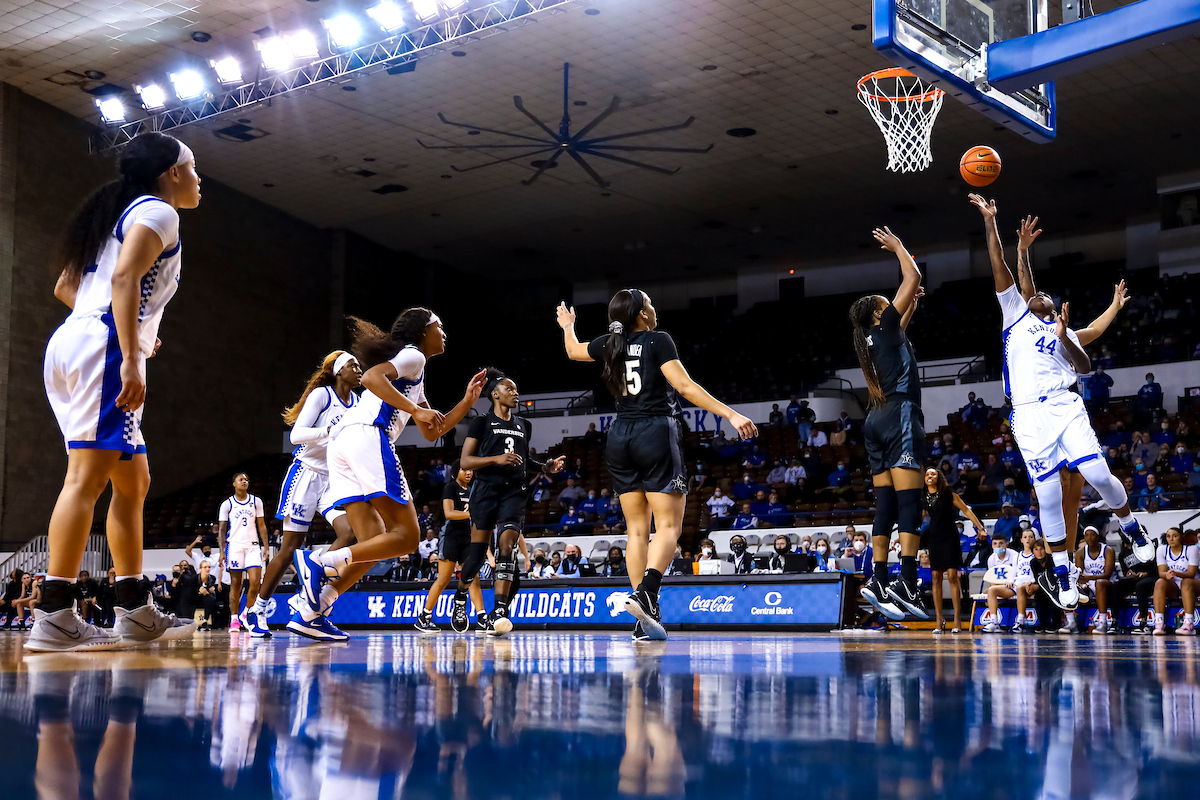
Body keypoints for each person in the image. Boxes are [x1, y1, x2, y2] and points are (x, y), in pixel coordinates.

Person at [29, 132, 200, 652]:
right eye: (193, 170)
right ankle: (55, 613)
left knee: (134, 481)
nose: (198, 180)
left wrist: (138, 330)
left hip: (75, 341)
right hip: (103, 348)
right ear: (172, 172)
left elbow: (66, 287)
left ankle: (134, 609)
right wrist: (130, 353)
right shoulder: (159, 211)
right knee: (85, 479)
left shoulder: (115, 213)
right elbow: (125, 282)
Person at [970, 194, 1154, 617]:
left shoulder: (1062, 332)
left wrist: (1094, 318)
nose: (1038, 296)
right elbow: (1002, 267)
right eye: (1034, 293)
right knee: (1048, 497)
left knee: (1094, 472)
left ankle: (1131, 527)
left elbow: (1086, 362)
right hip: (1028, 414)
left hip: (1063, 404)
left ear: (1054, 309)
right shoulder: (1015, 314)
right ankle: (1061, 572)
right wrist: (994, 226)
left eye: (1045, 297)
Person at [556, 289, 756, 640]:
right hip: (654, 432)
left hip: (619, 435)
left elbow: (572, 352)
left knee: (636, 530)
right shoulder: (657, 340)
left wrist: (568, 326)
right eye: (649, 304)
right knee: (668, 526)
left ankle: (643, 617)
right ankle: (647, 593)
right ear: (641, 314)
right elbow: (684, 386)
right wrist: (730, 413)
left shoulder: (609, 343)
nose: (654, 308)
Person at [290, 309, 485, 641]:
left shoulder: (413, 372)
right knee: (407, 538)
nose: (444, 332)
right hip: (367, 436)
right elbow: (370, 378)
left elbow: (431, 430)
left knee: (373, 544)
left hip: (344, 444)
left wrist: (466, 402)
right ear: (423, 331)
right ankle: (320, 562)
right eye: (439, 326)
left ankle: (314, 610)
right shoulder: (412, 357)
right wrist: (415, 409)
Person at [434, 368, 564, 637]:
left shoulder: (524, 425)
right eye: (509, 389)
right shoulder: (481, 422)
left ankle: (500, 612)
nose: (515, 393)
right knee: (478, 555)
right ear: (495, 394)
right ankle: (460, 598)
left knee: (507, 545)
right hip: (485, 492)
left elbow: (524, 462)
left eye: (516, 389)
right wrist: (495, 459)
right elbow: (467, 461)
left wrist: (545, 467)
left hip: (514, 492)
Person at [253, 351, 363, 638]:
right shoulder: (323, 396)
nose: (359, 369)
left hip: (334, 479)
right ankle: (257, 609)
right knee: (290, 548)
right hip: (306, 473)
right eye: (353, 365)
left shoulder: (358, 402)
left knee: (349, 532)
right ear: (340, 371)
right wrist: (329, 429)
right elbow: (295, 436)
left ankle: (307, 595)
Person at [851, 225, 926, 622]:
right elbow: (912, 277)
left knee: (886, 505)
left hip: (874, 422)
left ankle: (879, 579)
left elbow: (904, 317)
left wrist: (911, 302)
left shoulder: (873, 338)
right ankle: (908, 581)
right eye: (890, 301)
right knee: (912, 503)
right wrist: (899, 246)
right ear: (881, 311)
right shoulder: (883, 326)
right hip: (899, 414)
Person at [413, 461, 487, 635]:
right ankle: (424, 617)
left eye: (470, 470)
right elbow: (449, 513)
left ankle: (482, 618)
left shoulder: (472, 491)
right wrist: (472, 513)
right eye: (464, 469)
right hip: (451, 538)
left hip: (468, 538)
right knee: (444, 579)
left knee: (473, 577)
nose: (468, 473)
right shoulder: (450, 487)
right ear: (456, 472)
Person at [922, 467, 985, 633]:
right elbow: (917, 521)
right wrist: (901, 538)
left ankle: (957, 619)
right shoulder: (924, 497)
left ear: (939, 477)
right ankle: (939, 618)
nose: (929, 476)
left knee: (951, 575)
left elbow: (965, 510)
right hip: (934, 538)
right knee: (935, 576)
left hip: (950, 536)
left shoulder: (949, 494)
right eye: (927, 474)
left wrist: (980, 527)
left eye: (933, 474)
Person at [217, 472, 268, 634]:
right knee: (236, 584)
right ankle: (234, 619)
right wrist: (221, 551)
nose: (244, 481)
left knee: (255, 582)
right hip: (234, 546)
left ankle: (246, 613)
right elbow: (222, 530)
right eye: (241, 479)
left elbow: (262, 525)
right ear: (234, 484)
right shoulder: (227, 504)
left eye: (246, 479)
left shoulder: (256, 501)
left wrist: (266, 546)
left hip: (253, 546)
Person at [982, 531, 1037, 633]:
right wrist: (1011, 581)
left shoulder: (1034, 555)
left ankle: (1020, 621)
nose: (1028, 539)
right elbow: (1013, 572)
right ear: (1021, 540)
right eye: (1025, 537)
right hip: (1016, 585)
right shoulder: (1018, 556)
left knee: (1020, 587)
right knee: (991, 590)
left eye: (1030, 537)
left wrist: (1030, 582)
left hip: (1030, 585)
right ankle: (994, 622)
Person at [1152, 527, 1198, 635]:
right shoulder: (1162, 550)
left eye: (1174, 536)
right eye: (1168, 536)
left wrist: (1176, 573)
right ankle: (1159, 622)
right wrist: (1167, 574)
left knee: (1186, 581)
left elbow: (1192, 573)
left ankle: (1189, 623)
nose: (1171, 539)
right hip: (1174, 586)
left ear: (1181, 537)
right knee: (1160, 582)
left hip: (1193, 584)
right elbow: (1161, 572)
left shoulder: (1191, 549)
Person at [1075, 525, 1116, 633]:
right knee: (1068, 584)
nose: (1089, 538)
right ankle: (1071, 621)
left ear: (1097, 537)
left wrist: (1088, 577)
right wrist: (1082, 581)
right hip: (1089, 583)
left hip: (1108, 583)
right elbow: (1078, 574)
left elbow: (1107, 574)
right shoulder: (1080, 552)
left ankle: (1103, 621)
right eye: (1087, 535)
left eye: (1092, 535)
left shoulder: (1108, 550)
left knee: (1099, 583)